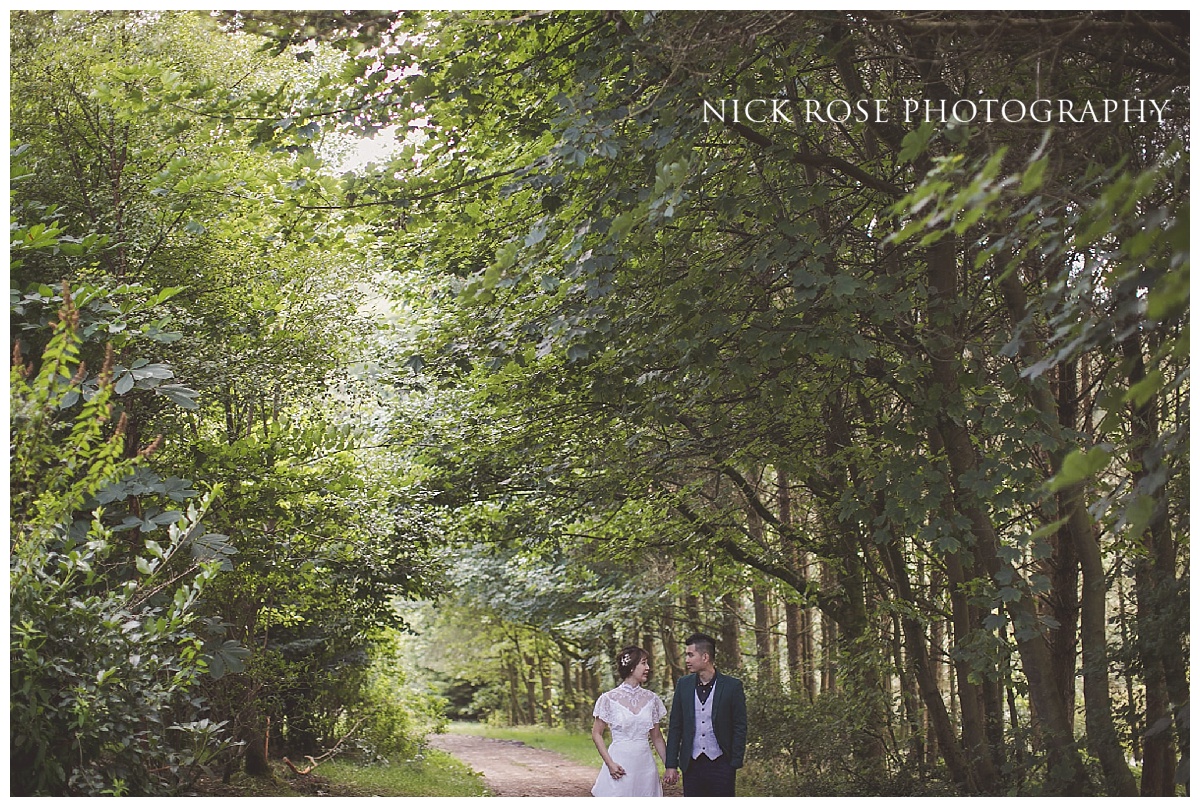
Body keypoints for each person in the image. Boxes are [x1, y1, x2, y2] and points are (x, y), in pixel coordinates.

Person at [663, 633, 747, 797]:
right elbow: (675, 726)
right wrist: (671, 764)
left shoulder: (732, 686)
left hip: (722, 763)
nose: (687, 659)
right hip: (691, 764)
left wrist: (734, 762)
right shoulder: (683, 685)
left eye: (690, 655)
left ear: (705, 657)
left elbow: (740, 726)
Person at [590, 645, 668, 797]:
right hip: (619, 764)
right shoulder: (608, 699)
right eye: (644, 663)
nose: (648, 667)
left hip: (645, 766)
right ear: (631, 667)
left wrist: (669, 766)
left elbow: (657, 737)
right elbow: (596, 734)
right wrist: (610, 764)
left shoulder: (652, 699)